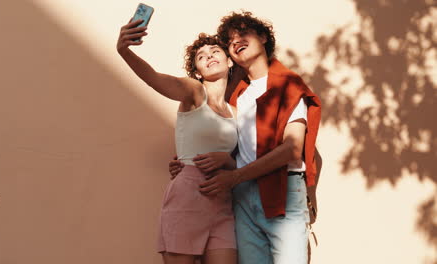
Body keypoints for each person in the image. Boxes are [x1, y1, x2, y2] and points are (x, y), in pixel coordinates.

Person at [169, 11, 322, 264]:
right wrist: (187, 163)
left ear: (263, 37)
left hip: (281, 189)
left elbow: (294, 149)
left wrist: (311, 190)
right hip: (241, 195)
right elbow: (228, 143)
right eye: (229, 40)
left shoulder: (288, 85)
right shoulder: (235, 95)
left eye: (243, 33)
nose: (236, 40)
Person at [116, 18, 239, 264]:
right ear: (197, 71)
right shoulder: (194, 91)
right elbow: (153, 78)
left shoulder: (235, 111)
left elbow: (241, 161)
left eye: (216, 51)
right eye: (201, 56)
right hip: (187, 196)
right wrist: (124, 51)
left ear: (229, 61)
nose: (210, 56)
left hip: (222, 202)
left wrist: (227, 160)